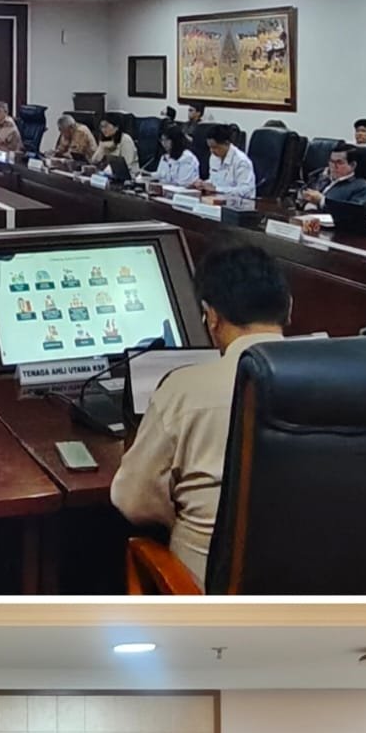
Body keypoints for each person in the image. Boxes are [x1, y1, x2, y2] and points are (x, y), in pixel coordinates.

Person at [110, 245, 289, 589]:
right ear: (288, 308)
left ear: (211, 317)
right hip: (310, 600)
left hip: (205, 598)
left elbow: (130, 500)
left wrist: (186, 513)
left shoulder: (186, 390)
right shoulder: (336, 385)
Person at [300, 142, 366, 210]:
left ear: (353, 165)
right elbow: (301, 192)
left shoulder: (362, 186)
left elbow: (352, 211)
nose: (333, 166)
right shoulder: (320, 175)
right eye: (331, 161)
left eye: (339, 162)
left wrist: (322, 201)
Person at [192, 124, 256, 201]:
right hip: (217, 200)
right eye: (210, 147)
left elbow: (245, 191)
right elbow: (214, 181)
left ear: (226, 143)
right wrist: (203, 184)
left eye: (215, 147)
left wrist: (217, 189)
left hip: (239, 204)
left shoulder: (241, 161)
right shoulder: (214, 157)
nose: (212, 151)